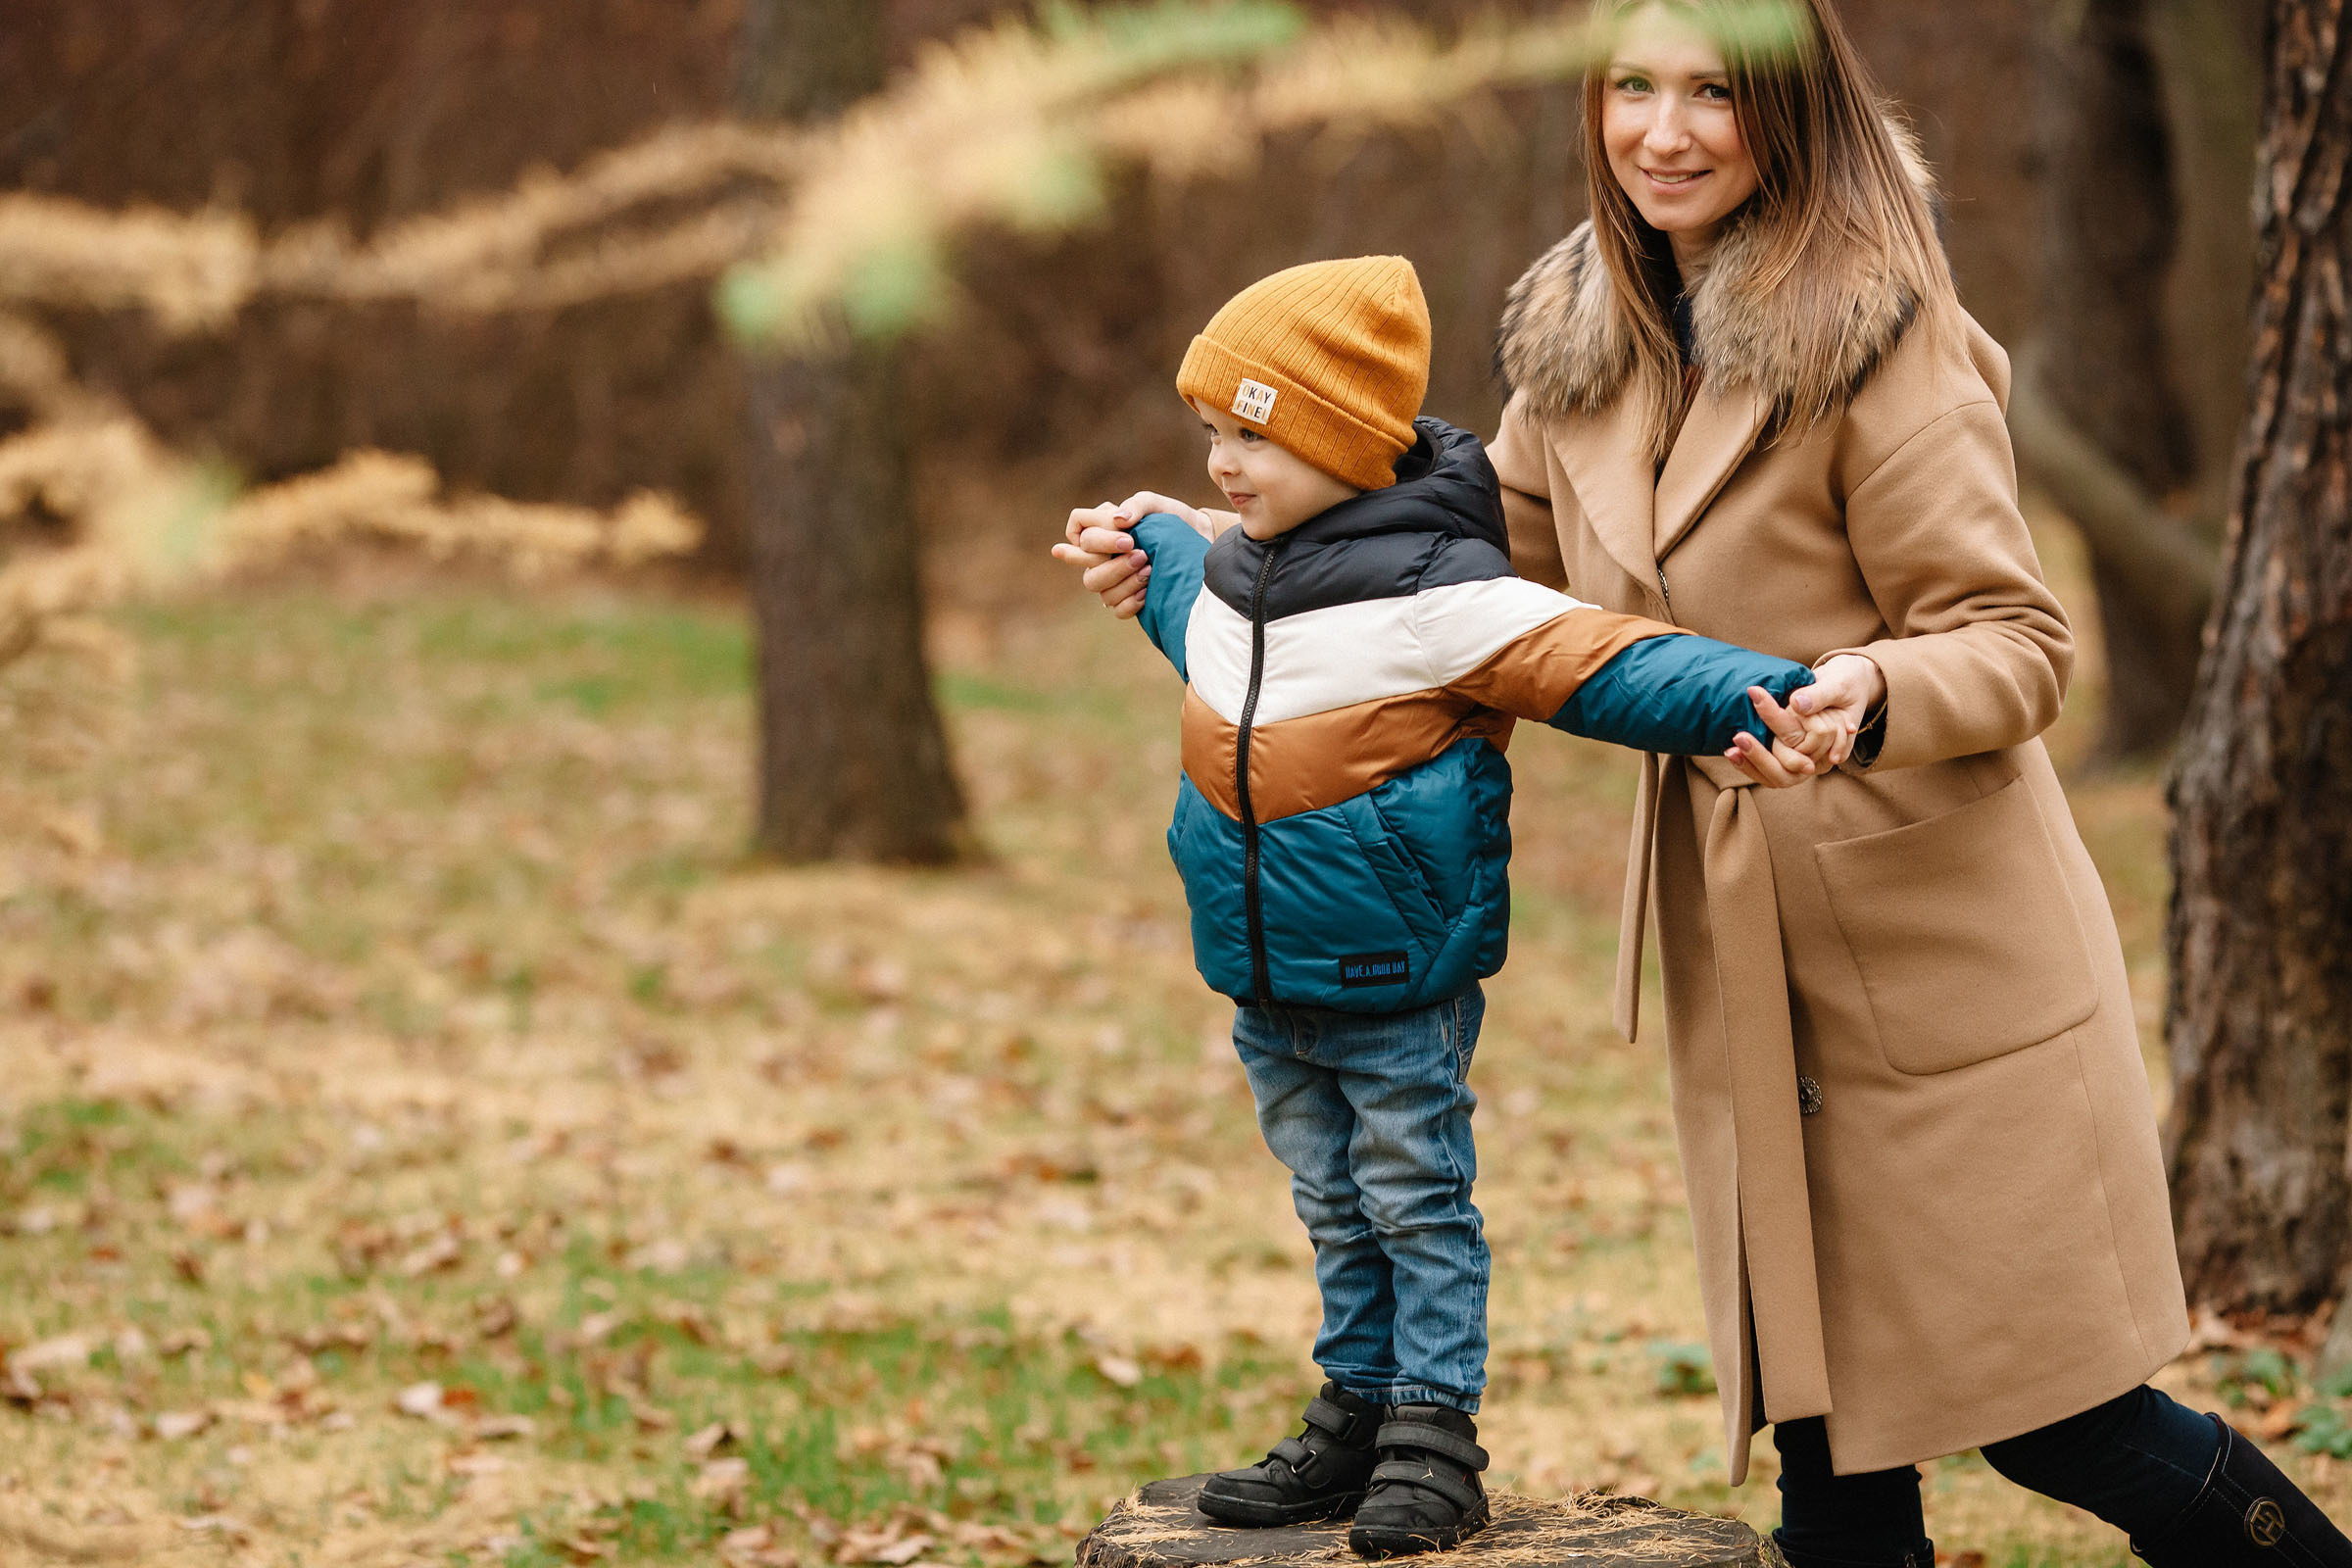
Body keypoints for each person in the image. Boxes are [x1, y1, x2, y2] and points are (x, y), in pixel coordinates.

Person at [1054, 4, 2352, 1565]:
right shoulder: (1576, 353)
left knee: (2060, 1414)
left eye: (1714, 93)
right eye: (1632, 89)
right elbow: (1456, 602)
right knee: (1828, 1430)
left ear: (1792, 112)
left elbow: (2016, 643)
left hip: (1932, 939)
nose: (1663, 132)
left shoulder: (1891, 344)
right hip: (1740, 958)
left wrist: (1870, 691)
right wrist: (1203, 555)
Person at [1065, 252, 1838, 1558]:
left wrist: (1783, 691)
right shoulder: (1237, 575)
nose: (1223, 467)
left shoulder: (1442, 602)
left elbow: (1611, 664)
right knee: (1328, 1196)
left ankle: (1436, 1435)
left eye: (1251, 434)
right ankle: (1358, 1410)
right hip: (1263, 974)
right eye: (1210, 436)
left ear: (1345, 444)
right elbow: (1189, 609)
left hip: (1395, 978)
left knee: (1415, 1198)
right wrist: (1145, 540)